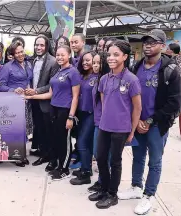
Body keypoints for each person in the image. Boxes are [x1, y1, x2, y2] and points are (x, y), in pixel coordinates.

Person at [118, 29, 181, 215]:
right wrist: (136, 120)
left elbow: (175, 103)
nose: (148, 45)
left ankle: (148, 195)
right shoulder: (137, 66)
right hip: (137, 123)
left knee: (155, 161)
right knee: (138, 157)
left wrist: (150, 120)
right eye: (146, 42)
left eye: (153, 42)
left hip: (157, 125)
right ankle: (136, 187)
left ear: (162, 46)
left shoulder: (170, 70)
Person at [89, 40, 142, 209]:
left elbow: (137, 108)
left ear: (125, 57)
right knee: (101, 158)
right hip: (105, 126)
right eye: (109, 55)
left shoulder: (131, 80)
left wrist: (132, 131)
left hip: (121, 129)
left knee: (115, 161)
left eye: (116, 55)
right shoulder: (104, 79)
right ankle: (103, 188)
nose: (111, 58)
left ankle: (112, 194)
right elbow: (105, 103)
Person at [26, 45, 80, 180]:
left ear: (69, 55)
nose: (60, 57)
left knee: (64, 141)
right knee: (56, 140)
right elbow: (50, 94)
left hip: (65, 111)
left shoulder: (73, 72)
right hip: (53, 109)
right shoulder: (58, 72)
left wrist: (71, 117)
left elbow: (75, 96)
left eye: (63, 55)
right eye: (58, 55)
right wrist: (31, 97)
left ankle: (64, 169)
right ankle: (59, 166)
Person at [0, 42, 33, 167]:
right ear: (12, 54)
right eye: (17, 53)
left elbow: (29, 79)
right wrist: (13, 90)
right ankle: (17, 156)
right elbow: (1, 85)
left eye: (21, 51)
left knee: (24, 129)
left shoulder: (28, 63)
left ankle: (22, 153)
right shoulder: (8, 67)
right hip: (14, 102)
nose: (20, 54)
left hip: (27, 101)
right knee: (16, 129)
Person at [26, 35, 57, 169]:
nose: (38, 47)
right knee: (39, 129)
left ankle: (50, 157)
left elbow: (52, 84)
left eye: (41, 45)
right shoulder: (32, 61)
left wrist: (36, 91)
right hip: (34, 102)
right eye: (36, 45)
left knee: (48, 131)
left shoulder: (53, 61)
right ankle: (43, 152)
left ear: (47, 46)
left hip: (46, 102)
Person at [70, 51, 98, 185]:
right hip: (80, 113)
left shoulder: (98, 77)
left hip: (91, 114)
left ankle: (86, 174)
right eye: (84, 60)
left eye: (89, 60)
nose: (86, 63)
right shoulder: (81, 75)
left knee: (82, 142)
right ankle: (86, 168)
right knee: (86, 143)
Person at [88, 52, 110, 193]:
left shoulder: (106, 80)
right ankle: (102, 180)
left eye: (98, 63)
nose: (95, 66)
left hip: (104, 123)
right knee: (98, 153)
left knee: (103, 155)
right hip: (96, 121)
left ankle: (105, 184)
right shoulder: (96, 79)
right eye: (94, 63)